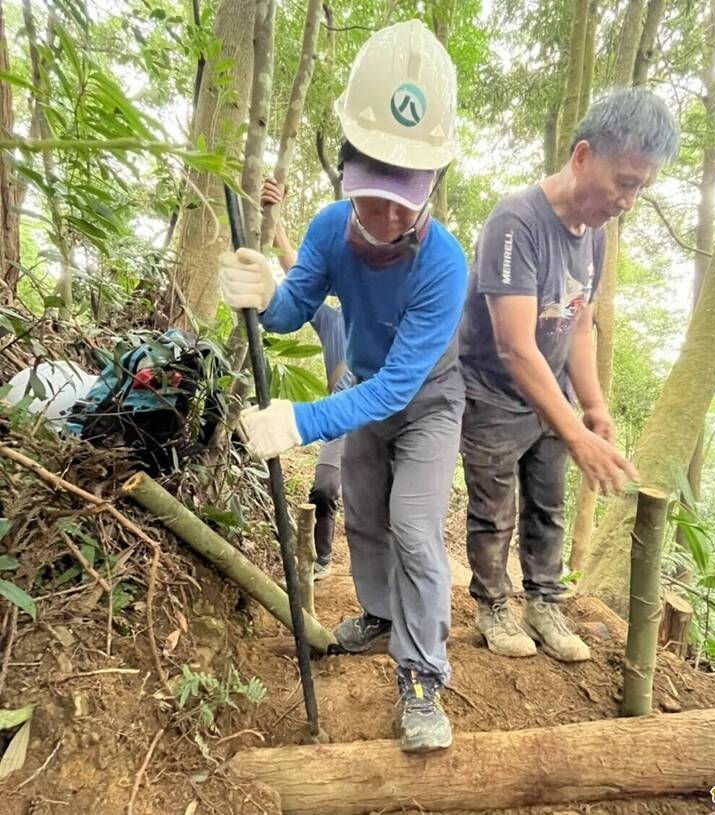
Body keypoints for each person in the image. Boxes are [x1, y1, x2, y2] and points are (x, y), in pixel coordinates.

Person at [219, 20, 466, 753]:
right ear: (347, 172)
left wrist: (302, 421)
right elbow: (296, 310)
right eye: (373, 193)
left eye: (405, 195)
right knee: (362, 516)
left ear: (430, 185)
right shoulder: (330, 229)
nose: (388, 215)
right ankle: (382, 614)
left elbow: (396, 385)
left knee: (415, 529)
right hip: (367, 389)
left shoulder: (444, 265)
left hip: (425, 403)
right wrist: (262, 290)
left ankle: (421, 673)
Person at [459, 88, 679, 661]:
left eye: (642, 188)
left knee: (549, 505)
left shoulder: (596, 236)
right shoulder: (515, 222)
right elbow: (513, 345)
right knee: (493, 506)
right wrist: (577, 434)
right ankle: (491, 605)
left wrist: (594, 406)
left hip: (549, 396)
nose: (629, 200)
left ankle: (543, 604)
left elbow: (577, 323)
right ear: (582, 156)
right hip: (493, 394)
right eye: (625, 182)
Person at [261, 178, 353, 581]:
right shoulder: (332, 320)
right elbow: (295, 268)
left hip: (386, 419)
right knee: (324, 487)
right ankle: (321, 560)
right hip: (340, 420)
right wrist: (274, 218)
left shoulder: (395, 319)